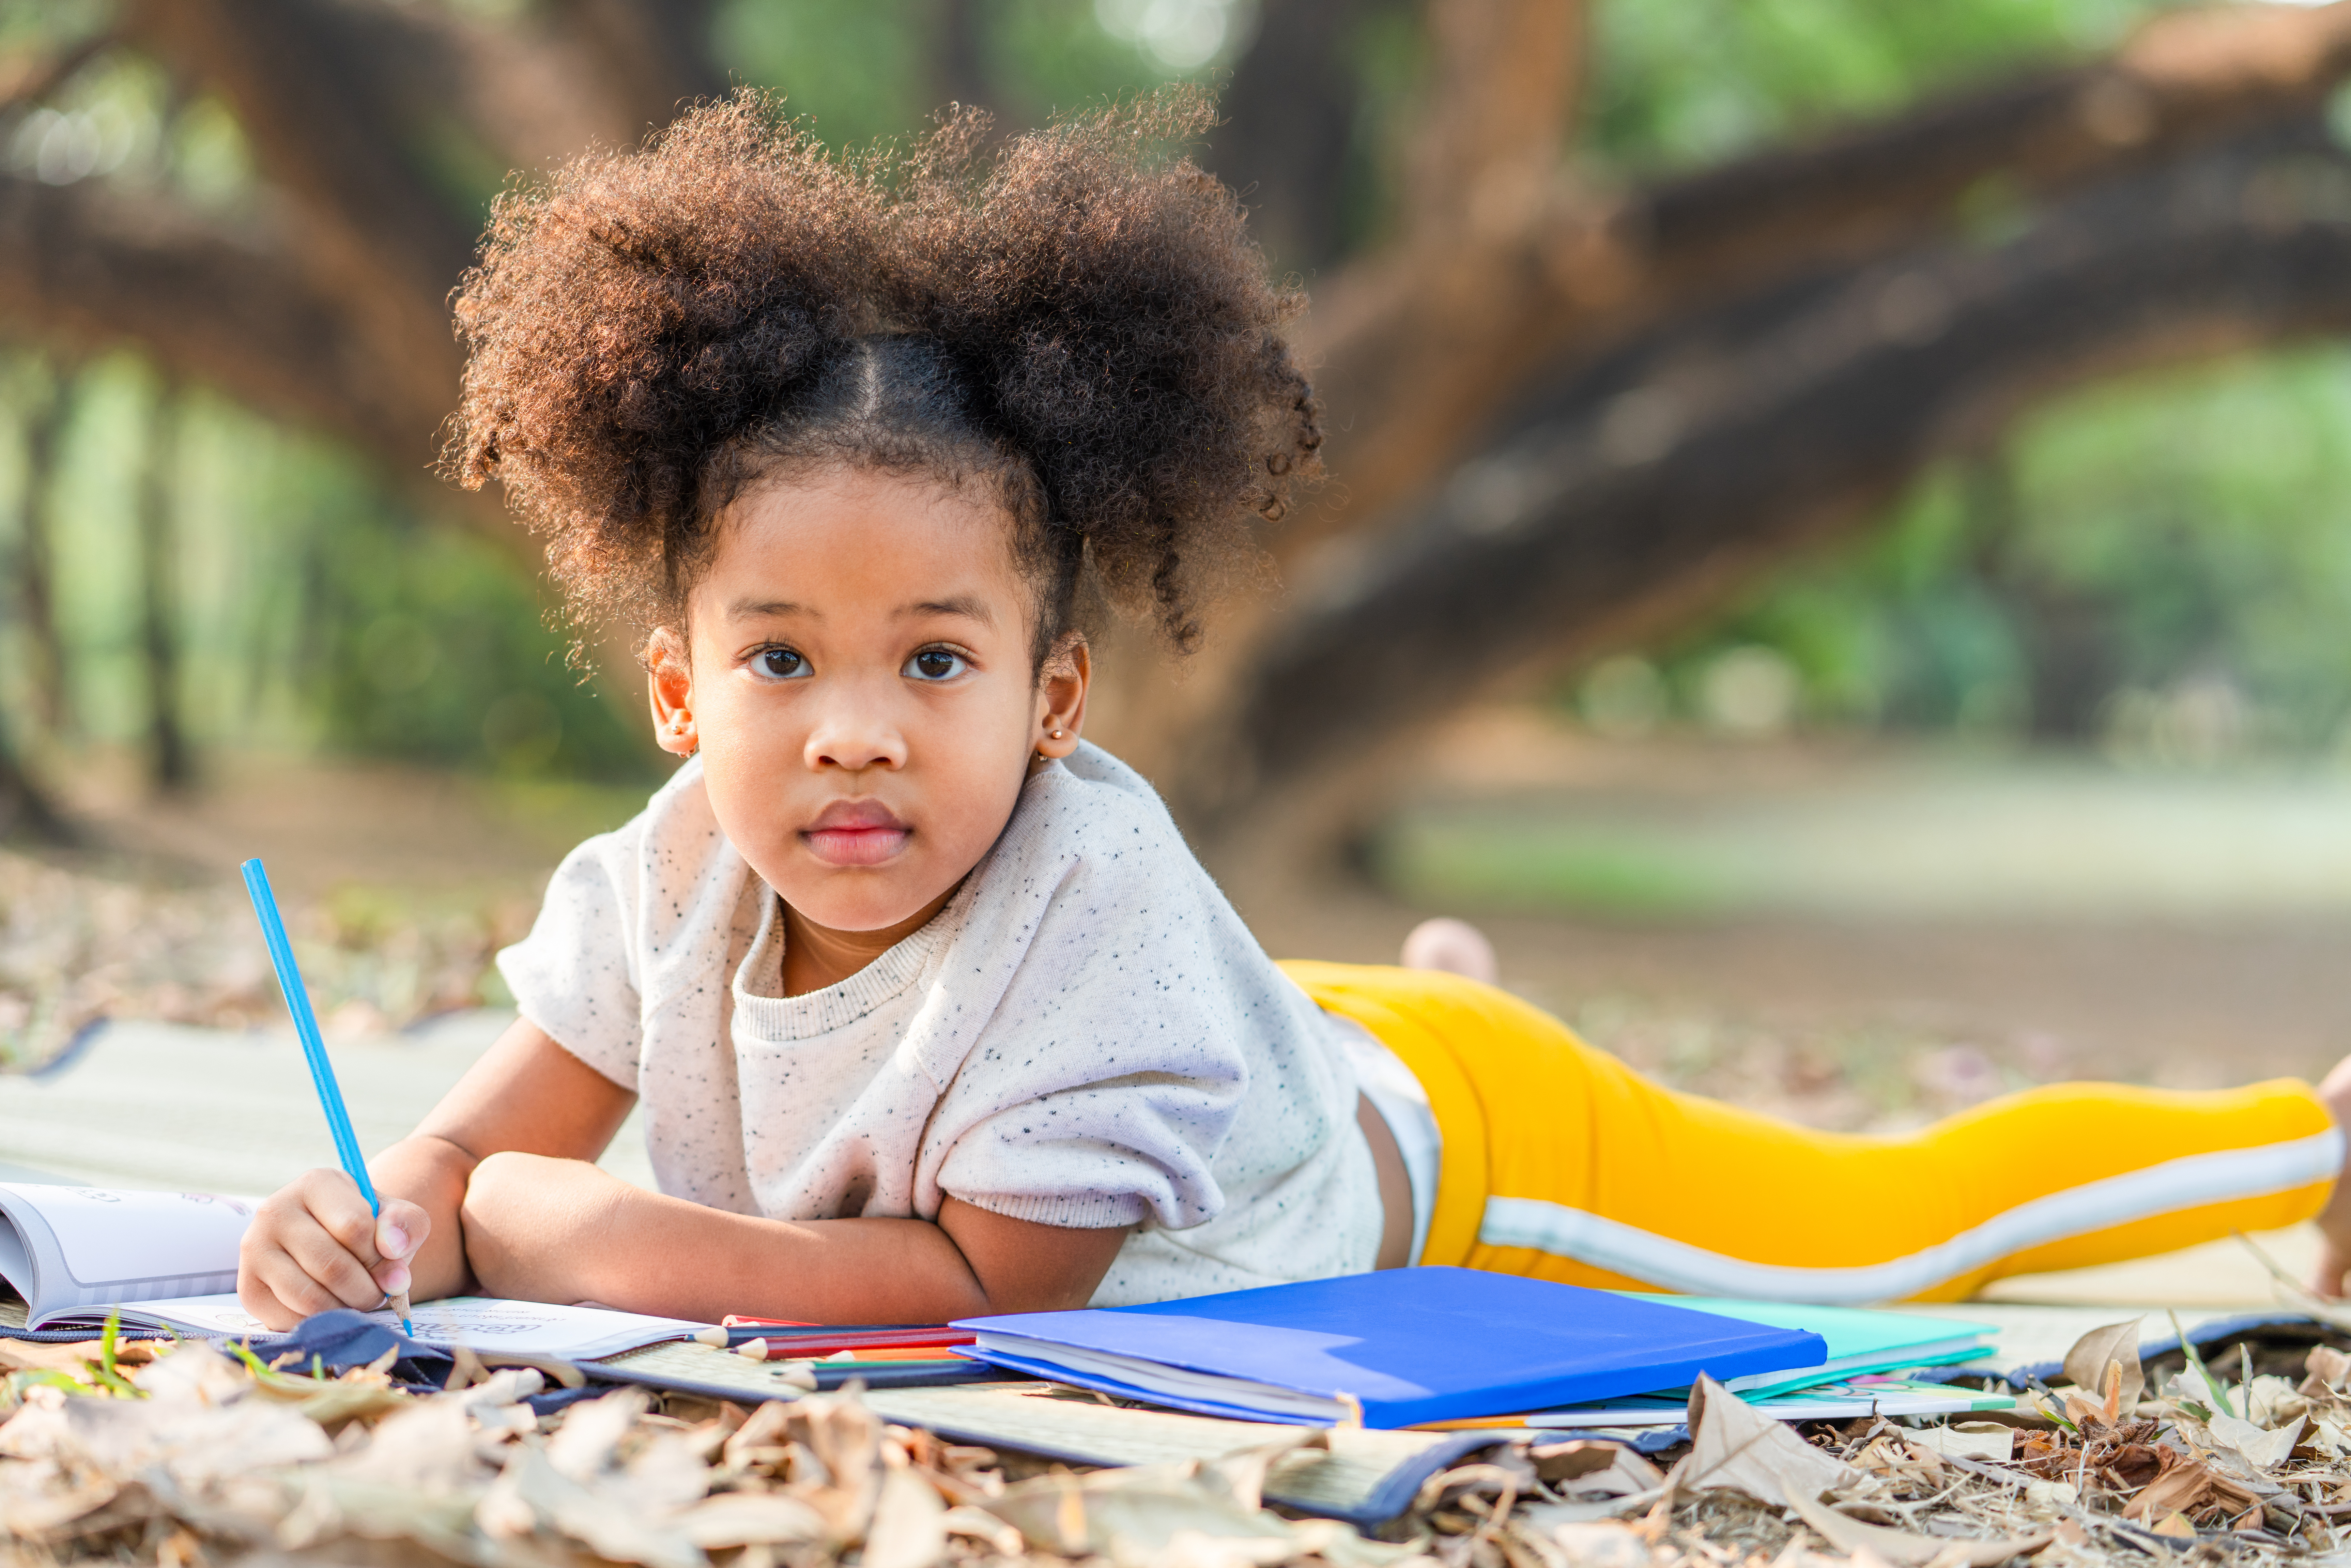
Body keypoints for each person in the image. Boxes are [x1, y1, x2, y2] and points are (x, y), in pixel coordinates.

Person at [237, 91, 2351, 1330]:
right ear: (682, 695)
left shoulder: (1092, 896)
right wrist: (386, 1215)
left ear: (1055, 696)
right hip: (1264, 1029)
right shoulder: (664, 877)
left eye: (936, 662)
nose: (854, 730)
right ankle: (1408, 1004)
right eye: (782, 660)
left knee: (1883, 1233)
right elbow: (470, 1148)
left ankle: (2306, 1155)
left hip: (1479, 1159)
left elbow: (986, 1286)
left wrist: (569, 1233)